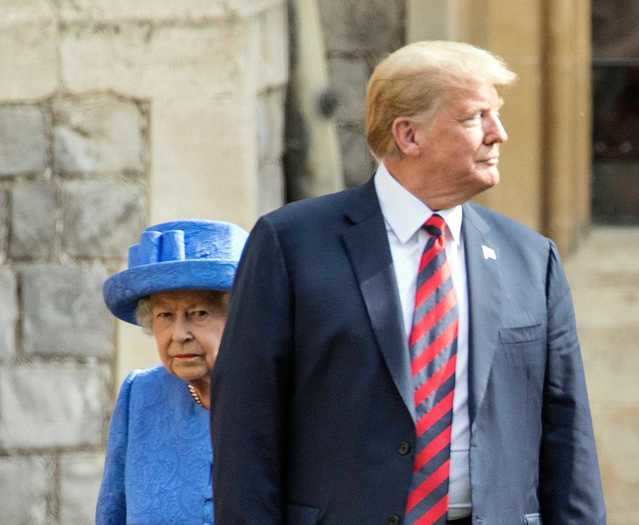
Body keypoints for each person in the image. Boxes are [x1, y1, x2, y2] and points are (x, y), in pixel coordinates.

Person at [212, 41, 606, 525]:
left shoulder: (530, 257)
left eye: (495, 115)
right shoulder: (290, 245)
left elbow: (569, 437)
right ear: (408, 135)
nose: (497, 134)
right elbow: (245, 430)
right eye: (473, 118)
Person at [96, 219, 248, 525]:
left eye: (199, 313)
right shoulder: (139, 395)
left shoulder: (284, 396)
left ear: (241, 317)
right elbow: (112, 515)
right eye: (165, 315)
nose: (179, 334)